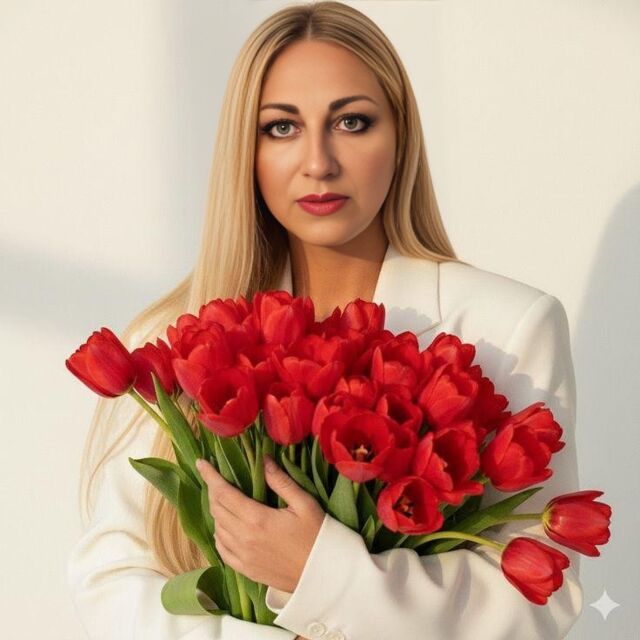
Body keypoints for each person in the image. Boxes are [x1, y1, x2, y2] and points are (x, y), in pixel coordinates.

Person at [67, 2, 584, 639]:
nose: (318, 162)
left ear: (401, 138)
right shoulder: (175, 336)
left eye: (351, 121)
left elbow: (538, 598)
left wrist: (322, 574)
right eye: (281, 127)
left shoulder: (509, 325)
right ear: (246, 150)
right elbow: (110, 579)